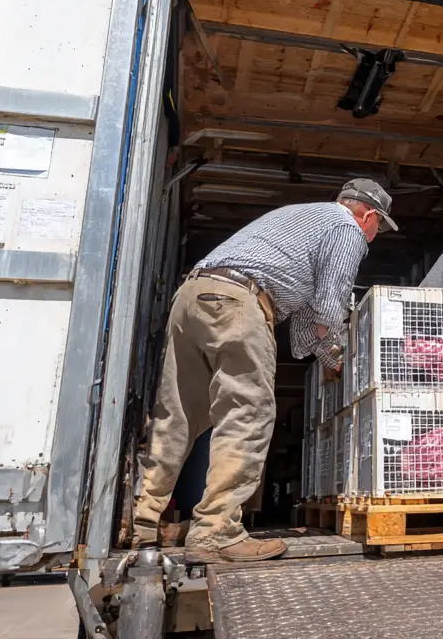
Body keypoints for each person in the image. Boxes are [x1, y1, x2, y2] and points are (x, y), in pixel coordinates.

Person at [131, 179, 397, 563]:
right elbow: (329, 301)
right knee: (248, 413)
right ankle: (216, 532)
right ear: (367, 215)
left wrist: (323, 353)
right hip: (240, 302)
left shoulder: (302, 219)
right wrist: (336, 347)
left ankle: (143, 523)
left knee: (179, 413)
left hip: (193, 296)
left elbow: (307, 323)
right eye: (379, 228)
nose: (375, 237)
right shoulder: (346, 228)